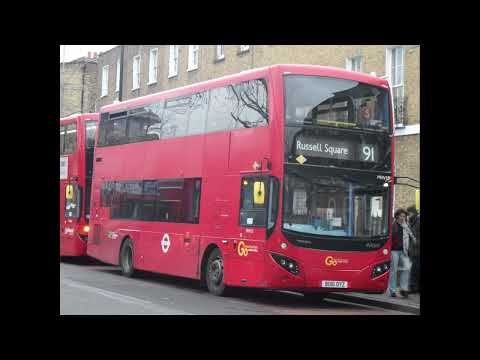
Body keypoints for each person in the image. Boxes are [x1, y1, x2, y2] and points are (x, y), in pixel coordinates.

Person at [387, 208, 416, 298]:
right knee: (393, 271)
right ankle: (392, 290)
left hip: (404, 250)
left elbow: (412, 236)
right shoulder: (393, 225)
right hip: (394, 251)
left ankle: (403, 289)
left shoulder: (406, 226)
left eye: (404, 216)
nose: (402, 218)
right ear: (397, 216)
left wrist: (413, 241)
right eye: (401, 216)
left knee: (407, 268)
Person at [407, 206, 420, 293]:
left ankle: (414, 288)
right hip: (413, 251)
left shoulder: (418, 222)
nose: (408, 216)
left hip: (417, 250)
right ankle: (414, 288)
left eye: (409, 214)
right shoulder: (412, 222)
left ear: (413, 213)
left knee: (415, 270)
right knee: (414, 270)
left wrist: (416, 242)